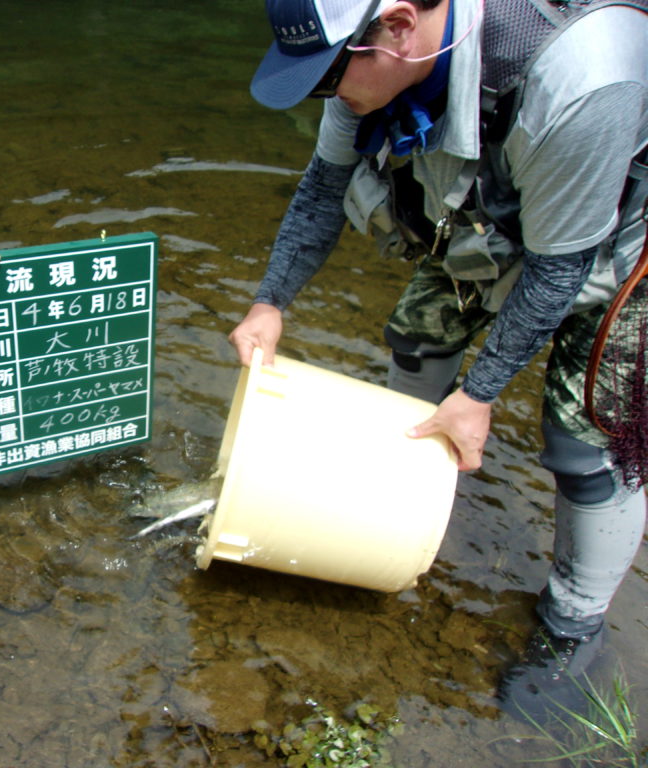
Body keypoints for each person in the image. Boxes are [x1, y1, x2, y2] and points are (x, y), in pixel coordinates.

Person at [230, 0, 647, 719]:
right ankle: (407, 508)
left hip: (615, 240)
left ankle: (572, 627)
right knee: (418, 341)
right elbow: (323, 189)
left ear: (394, 28)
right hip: (497, 211)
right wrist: (272, 300)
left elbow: (561, 270)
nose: (324, 94)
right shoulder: (374, 66)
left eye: (328, 77)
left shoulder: (579, 79)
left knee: (587, 446)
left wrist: (481, 392)